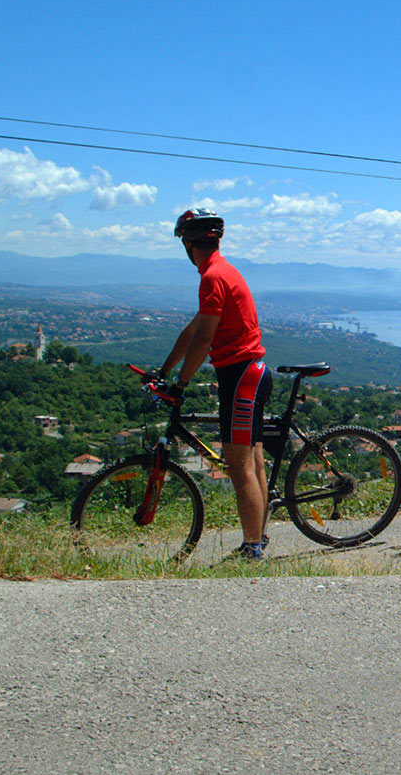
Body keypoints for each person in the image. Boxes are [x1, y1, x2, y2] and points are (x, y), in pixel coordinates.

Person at [148, 206, 274, 558]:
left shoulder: (212, 277)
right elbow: (193, 332)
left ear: (188, 244)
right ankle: (258, 538)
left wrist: (181, 384)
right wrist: (164, 369)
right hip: (250, 373)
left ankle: (252, 549)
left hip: (240, 377)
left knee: (239, 466)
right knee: (254, 462)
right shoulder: (221, 271)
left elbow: (203, 341)